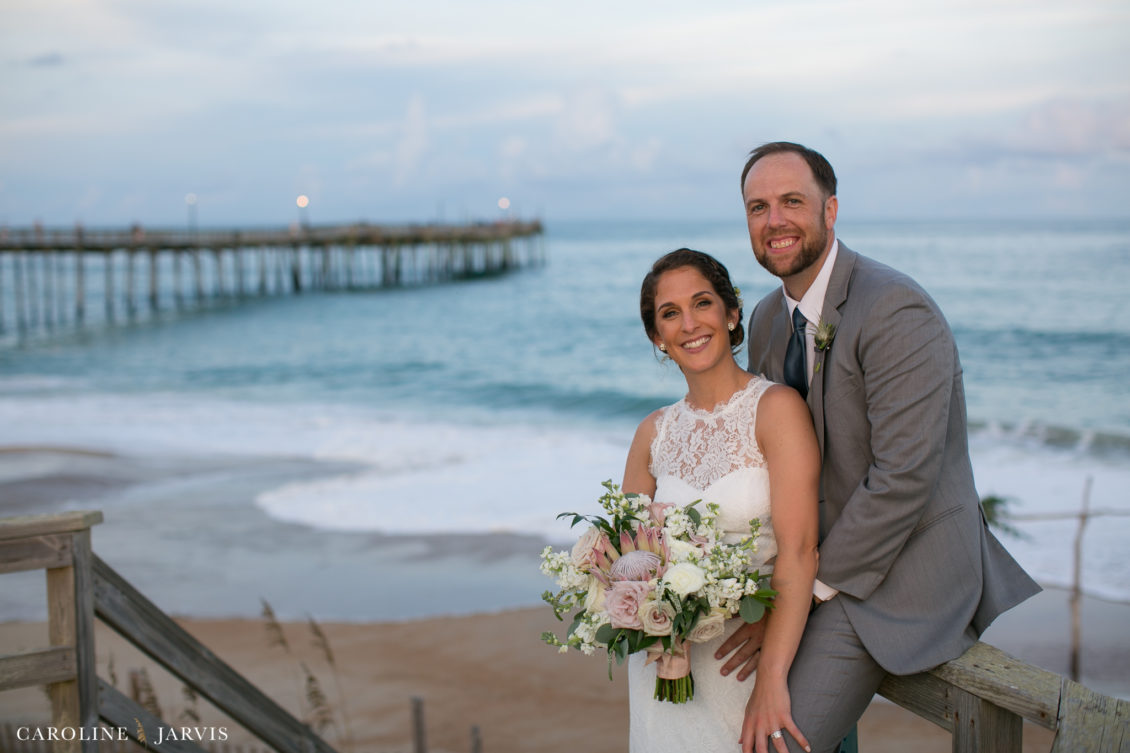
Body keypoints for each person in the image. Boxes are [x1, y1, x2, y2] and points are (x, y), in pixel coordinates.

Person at [716, 142, 1041, 753]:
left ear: (830, 210)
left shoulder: (894, 308)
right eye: (758, 208)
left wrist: (796, 595)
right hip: (812, 559)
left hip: (898, 570)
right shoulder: (764, 319)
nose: (775, 221)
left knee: (772, 742)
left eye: (793, 201)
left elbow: (903, 479)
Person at [622, 248, 821, 753]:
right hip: (663, 665)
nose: (689, 324)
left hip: (747, 663)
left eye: (702, 304)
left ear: (732, 314)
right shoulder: (653, 433)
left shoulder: (776, 409)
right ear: (657, 338)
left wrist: (773, 680)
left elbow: (799, 553)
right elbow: (627, 559)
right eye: (670, 314)